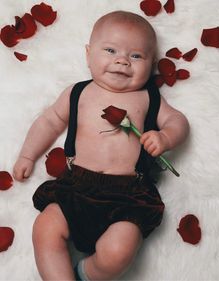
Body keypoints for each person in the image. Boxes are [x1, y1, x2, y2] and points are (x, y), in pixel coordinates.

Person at [13, 10, 189, 281]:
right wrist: (27, 155)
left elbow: (177, 121)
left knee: (120, 250)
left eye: (136, 56)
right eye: (110, 50)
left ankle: (88, 272)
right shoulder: (78, 92)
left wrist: (166, 137)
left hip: (129, 195)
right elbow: (49, 121)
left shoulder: (148, 98)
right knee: (45, 228)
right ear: (88, 54)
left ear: (151, 63)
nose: (122, 60)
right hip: (76, 185)